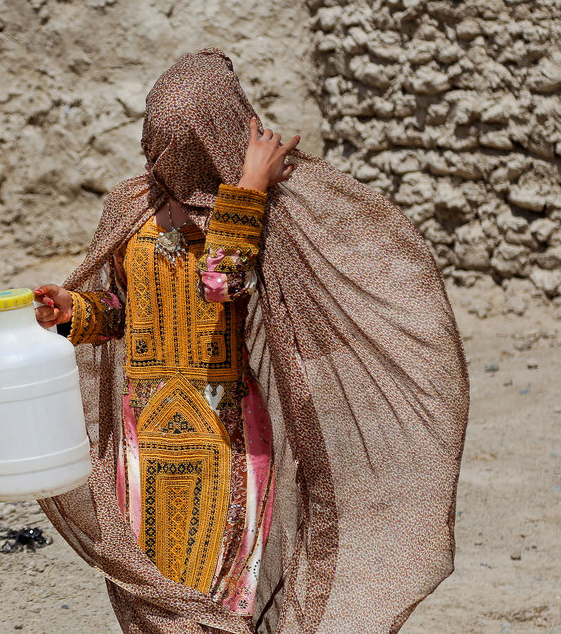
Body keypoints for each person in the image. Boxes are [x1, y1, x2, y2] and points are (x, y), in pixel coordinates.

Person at [33, 49, 469, 633]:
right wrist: (74, 313)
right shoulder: (130, 207)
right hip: (145, 438)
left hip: (226, 437)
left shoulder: (253, 212)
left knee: (219, 587)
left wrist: (250, 190)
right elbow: (123, 311)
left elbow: (223, 281)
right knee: (153, 590)